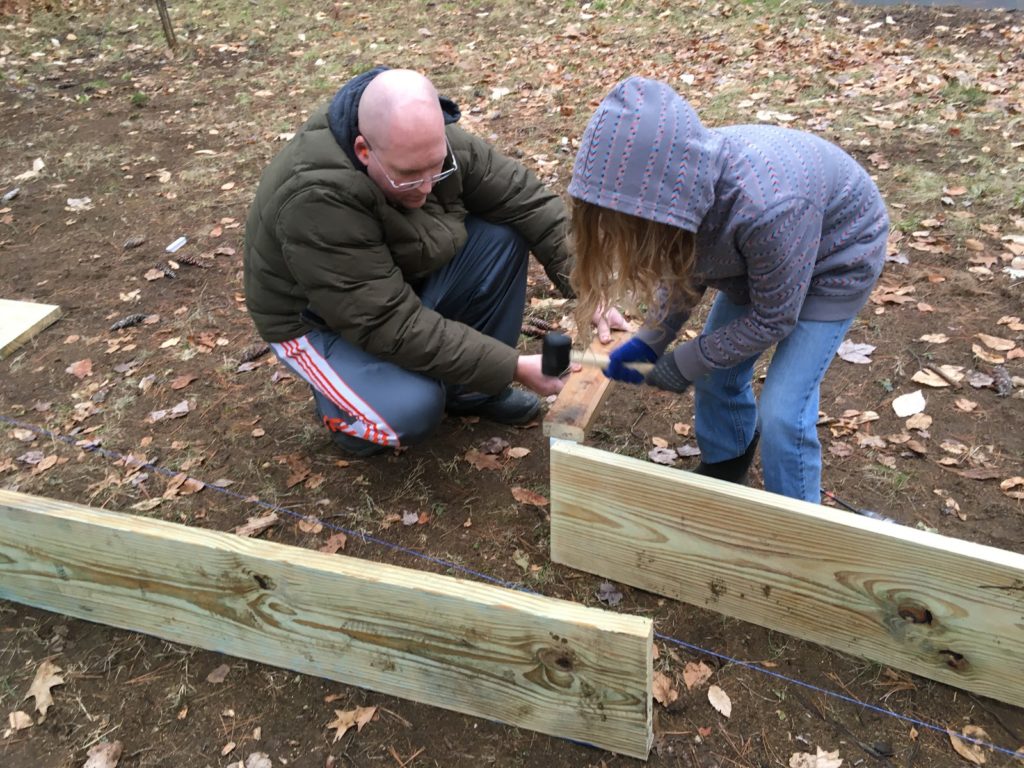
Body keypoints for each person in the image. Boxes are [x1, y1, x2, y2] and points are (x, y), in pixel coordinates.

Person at [244, 67, 626, 456]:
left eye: (435, 168)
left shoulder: (430, 144)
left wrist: (589, 290)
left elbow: (525, 200)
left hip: (389, 282)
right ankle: (347, 418)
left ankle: (472, 393)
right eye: (409, 176)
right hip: (316, 322)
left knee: (502, 237)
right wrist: (511, 365)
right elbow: (388, 322)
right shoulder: (316, 198)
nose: (426, 187)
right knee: (412, 410)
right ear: (364, 151)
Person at [568, 76, 889, 503]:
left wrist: (684, 360)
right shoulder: (681, 195)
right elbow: (687, 271)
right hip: (765, 254)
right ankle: (727, 461)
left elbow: (776, 316)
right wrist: (652, 340)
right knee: (719, 371)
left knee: (783, 413)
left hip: (836, 256)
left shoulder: (764, 205)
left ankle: (796, 524)